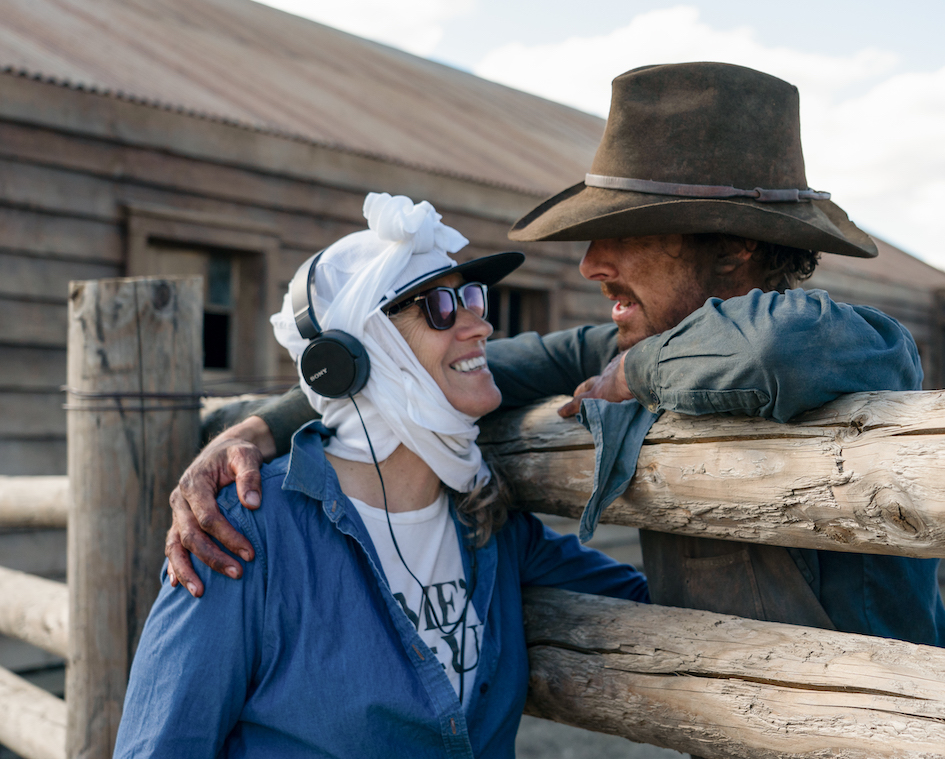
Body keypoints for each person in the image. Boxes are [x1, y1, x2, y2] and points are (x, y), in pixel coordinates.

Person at [167, 62, 945, 648]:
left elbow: (771, 353)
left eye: (629, 234)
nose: (590, 264)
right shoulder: (625, 342)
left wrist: (631, 377)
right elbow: (439, 370)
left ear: (735, 247)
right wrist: (257, 432)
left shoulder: (846, 341)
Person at [114, 194, 647, 758]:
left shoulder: (491, 527)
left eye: (473, 298)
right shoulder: (245, 532)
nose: (480, 325)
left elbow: (653, 606)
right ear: (357, 352)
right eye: (441, 306)